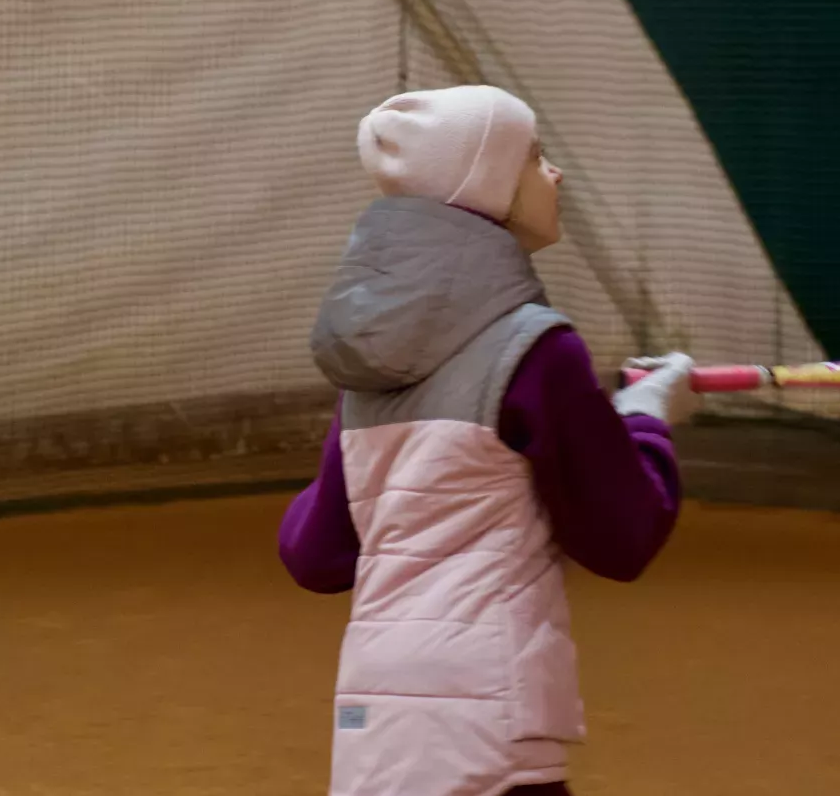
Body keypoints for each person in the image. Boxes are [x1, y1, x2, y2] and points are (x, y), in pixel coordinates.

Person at [276, 85, 699, 796]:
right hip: (489, 715)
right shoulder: (540, 349)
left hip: (375, 718)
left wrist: (384, 483)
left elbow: (314, 553)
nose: (554, 174)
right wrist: (647, 416)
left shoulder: (369, 369)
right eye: (534, 157)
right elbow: (624, 535)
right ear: (487, 186)